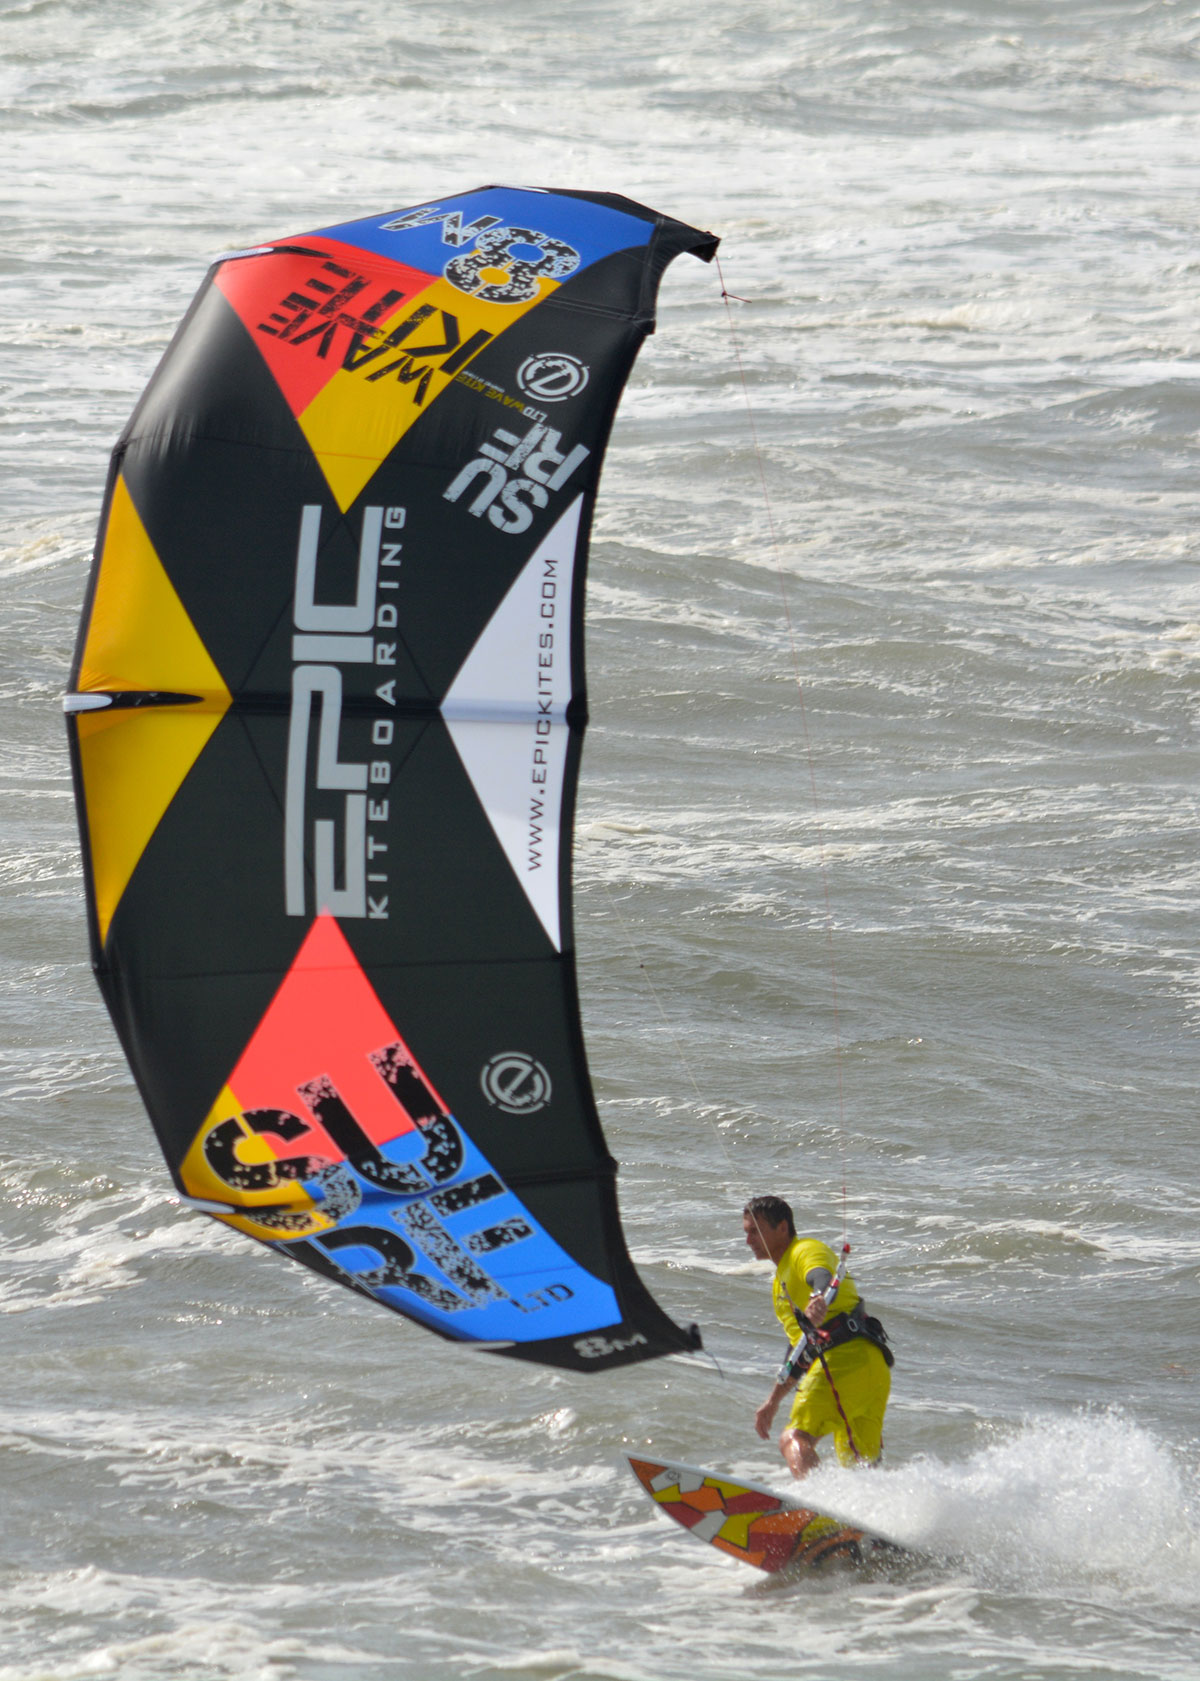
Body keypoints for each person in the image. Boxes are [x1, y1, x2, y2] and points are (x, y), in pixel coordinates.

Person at [743, 1194, 892, 1478]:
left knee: (794, 1439)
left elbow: (822, 1276)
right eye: (747, 1232)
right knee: (860, 1470)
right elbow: (798, 1348)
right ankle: (863, 1518)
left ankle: (820, 1512)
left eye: (756, 1231)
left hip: (842, 1364)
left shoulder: (804, 1251)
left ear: (783, 1228)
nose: (749, 1240)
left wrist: (818, 1297)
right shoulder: (781, 1282)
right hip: (871, 1368)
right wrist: (773, 1401)